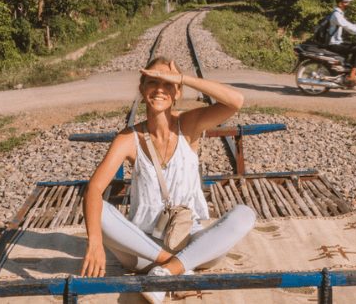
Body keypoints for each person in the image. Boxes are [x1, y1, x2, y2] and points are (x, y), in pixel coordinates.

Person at [80, 57, 256, 304]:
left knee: (245, 215)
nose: (160, 89)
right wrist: (95, 242)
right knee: (97, 209)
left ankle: (164, 273)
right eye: (153, 82)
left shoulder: (190, 125)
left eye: (167, 83)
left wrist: (183, 78)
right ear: (142, 89)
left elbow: (236, 101)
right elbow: (94, 189)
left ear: (177, 91)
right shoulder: (128, 138)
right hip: (143, 249)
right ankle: (175, 266)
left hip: (192, 241)